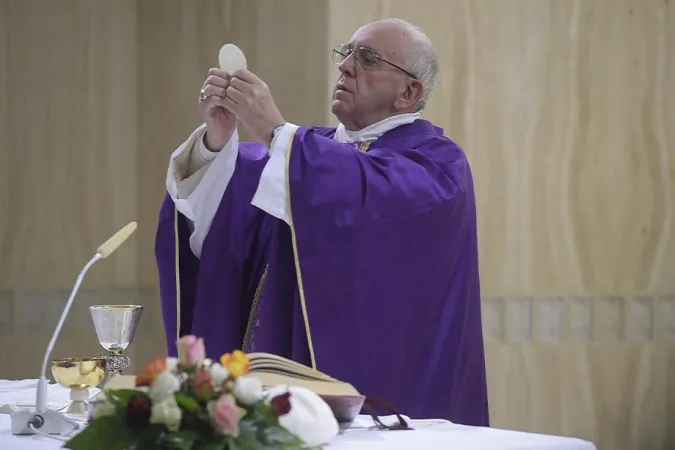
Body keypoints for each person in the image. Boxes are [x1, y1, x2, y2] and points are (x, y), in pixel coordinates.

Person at [155, 18, 488, 425]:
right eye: (346, 53)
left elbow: (366, 196)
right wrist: (217, 142)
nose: (346, 66)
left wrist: (275, 131)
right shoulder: (304, 153)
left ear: (409, 92)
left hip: (385, 403)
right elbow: (233, 203)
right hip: (270, 388)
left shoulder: (438, 166)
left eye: (367, 58)